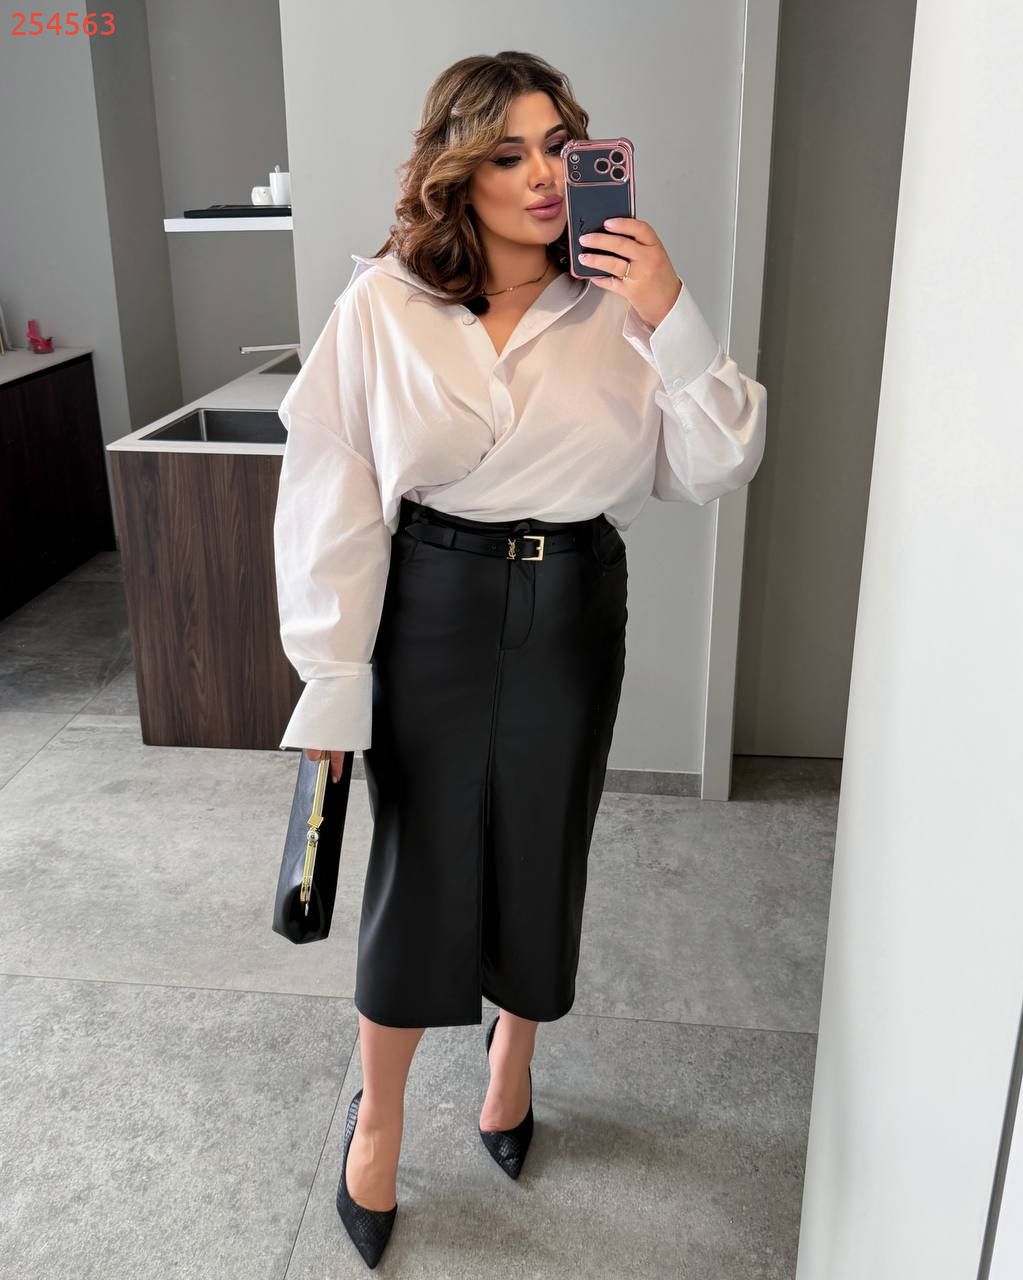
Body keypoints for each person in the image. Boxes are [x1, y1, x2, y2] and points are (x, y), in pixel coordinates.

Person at [272, 50, 766, 1269]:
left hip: (572, 604)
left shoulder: (625, 305)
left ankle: (514, 1059)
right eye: (509, 153)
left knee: (545, 846)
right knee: (420, 863)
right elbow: (333, 483)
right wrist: (330, 676)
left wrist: (672, 311)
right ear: (459, 171)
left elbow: (717, 462)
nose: (544, 175)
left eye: (559, 145)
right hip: (430, 599)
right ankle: (379, 1117)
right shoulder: (385, 304)